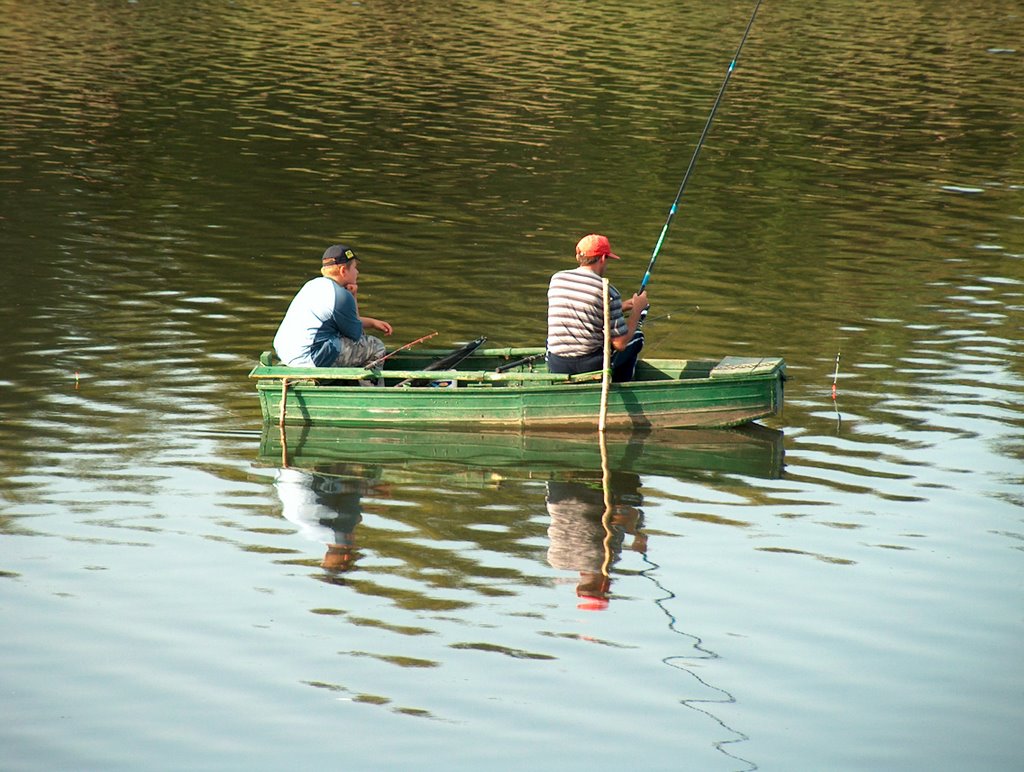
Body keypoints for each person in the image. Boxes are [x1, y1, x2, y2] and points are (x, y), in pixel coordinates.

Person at [546, 233, 649, 382]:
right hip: (588, 365)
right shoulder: (607, 291)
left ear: (578, 257)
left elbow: (582, 311)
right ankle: (622, 383)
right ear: (602, 258)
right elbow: (619, 344)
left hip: (557, 364)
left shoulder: (557, 279)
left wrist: (622, 306)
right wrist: (637, 311)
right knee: (637, 337)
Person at [273, 244, 393, 368]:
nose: (357, 272)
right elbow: (356, 335)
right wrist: (353, 296)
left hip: (286, 353)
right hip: (310, 359)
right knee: (376, 346)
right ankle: (368, 386)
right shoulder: (341, 296)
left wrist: (373, 323)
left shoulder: (311, 285)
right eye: (355, 267)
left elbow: (343, 321)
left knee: (341, 339)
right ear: (343, 271)